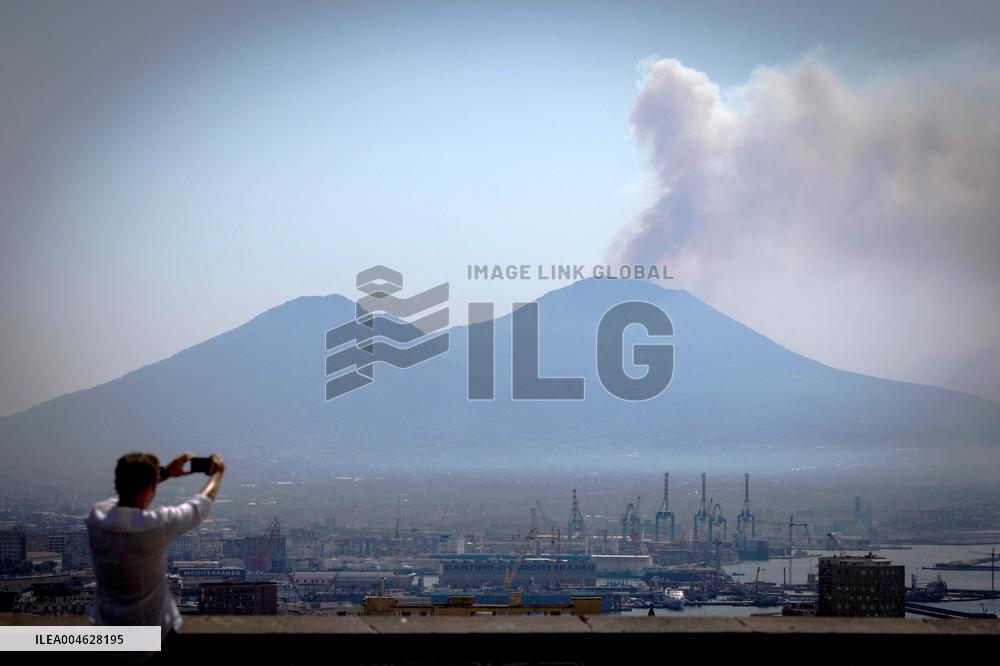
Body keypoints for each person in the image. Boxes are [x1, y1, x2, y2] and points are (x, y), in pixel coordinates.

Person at [86, 452, 225, 640]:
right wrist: (217, 474)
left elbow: (119, 498)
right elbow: (199, 506)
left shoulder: (96, 519)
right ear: (151, 488)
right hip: (154, 636)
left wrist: (165, 473)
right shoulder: (153, 527)